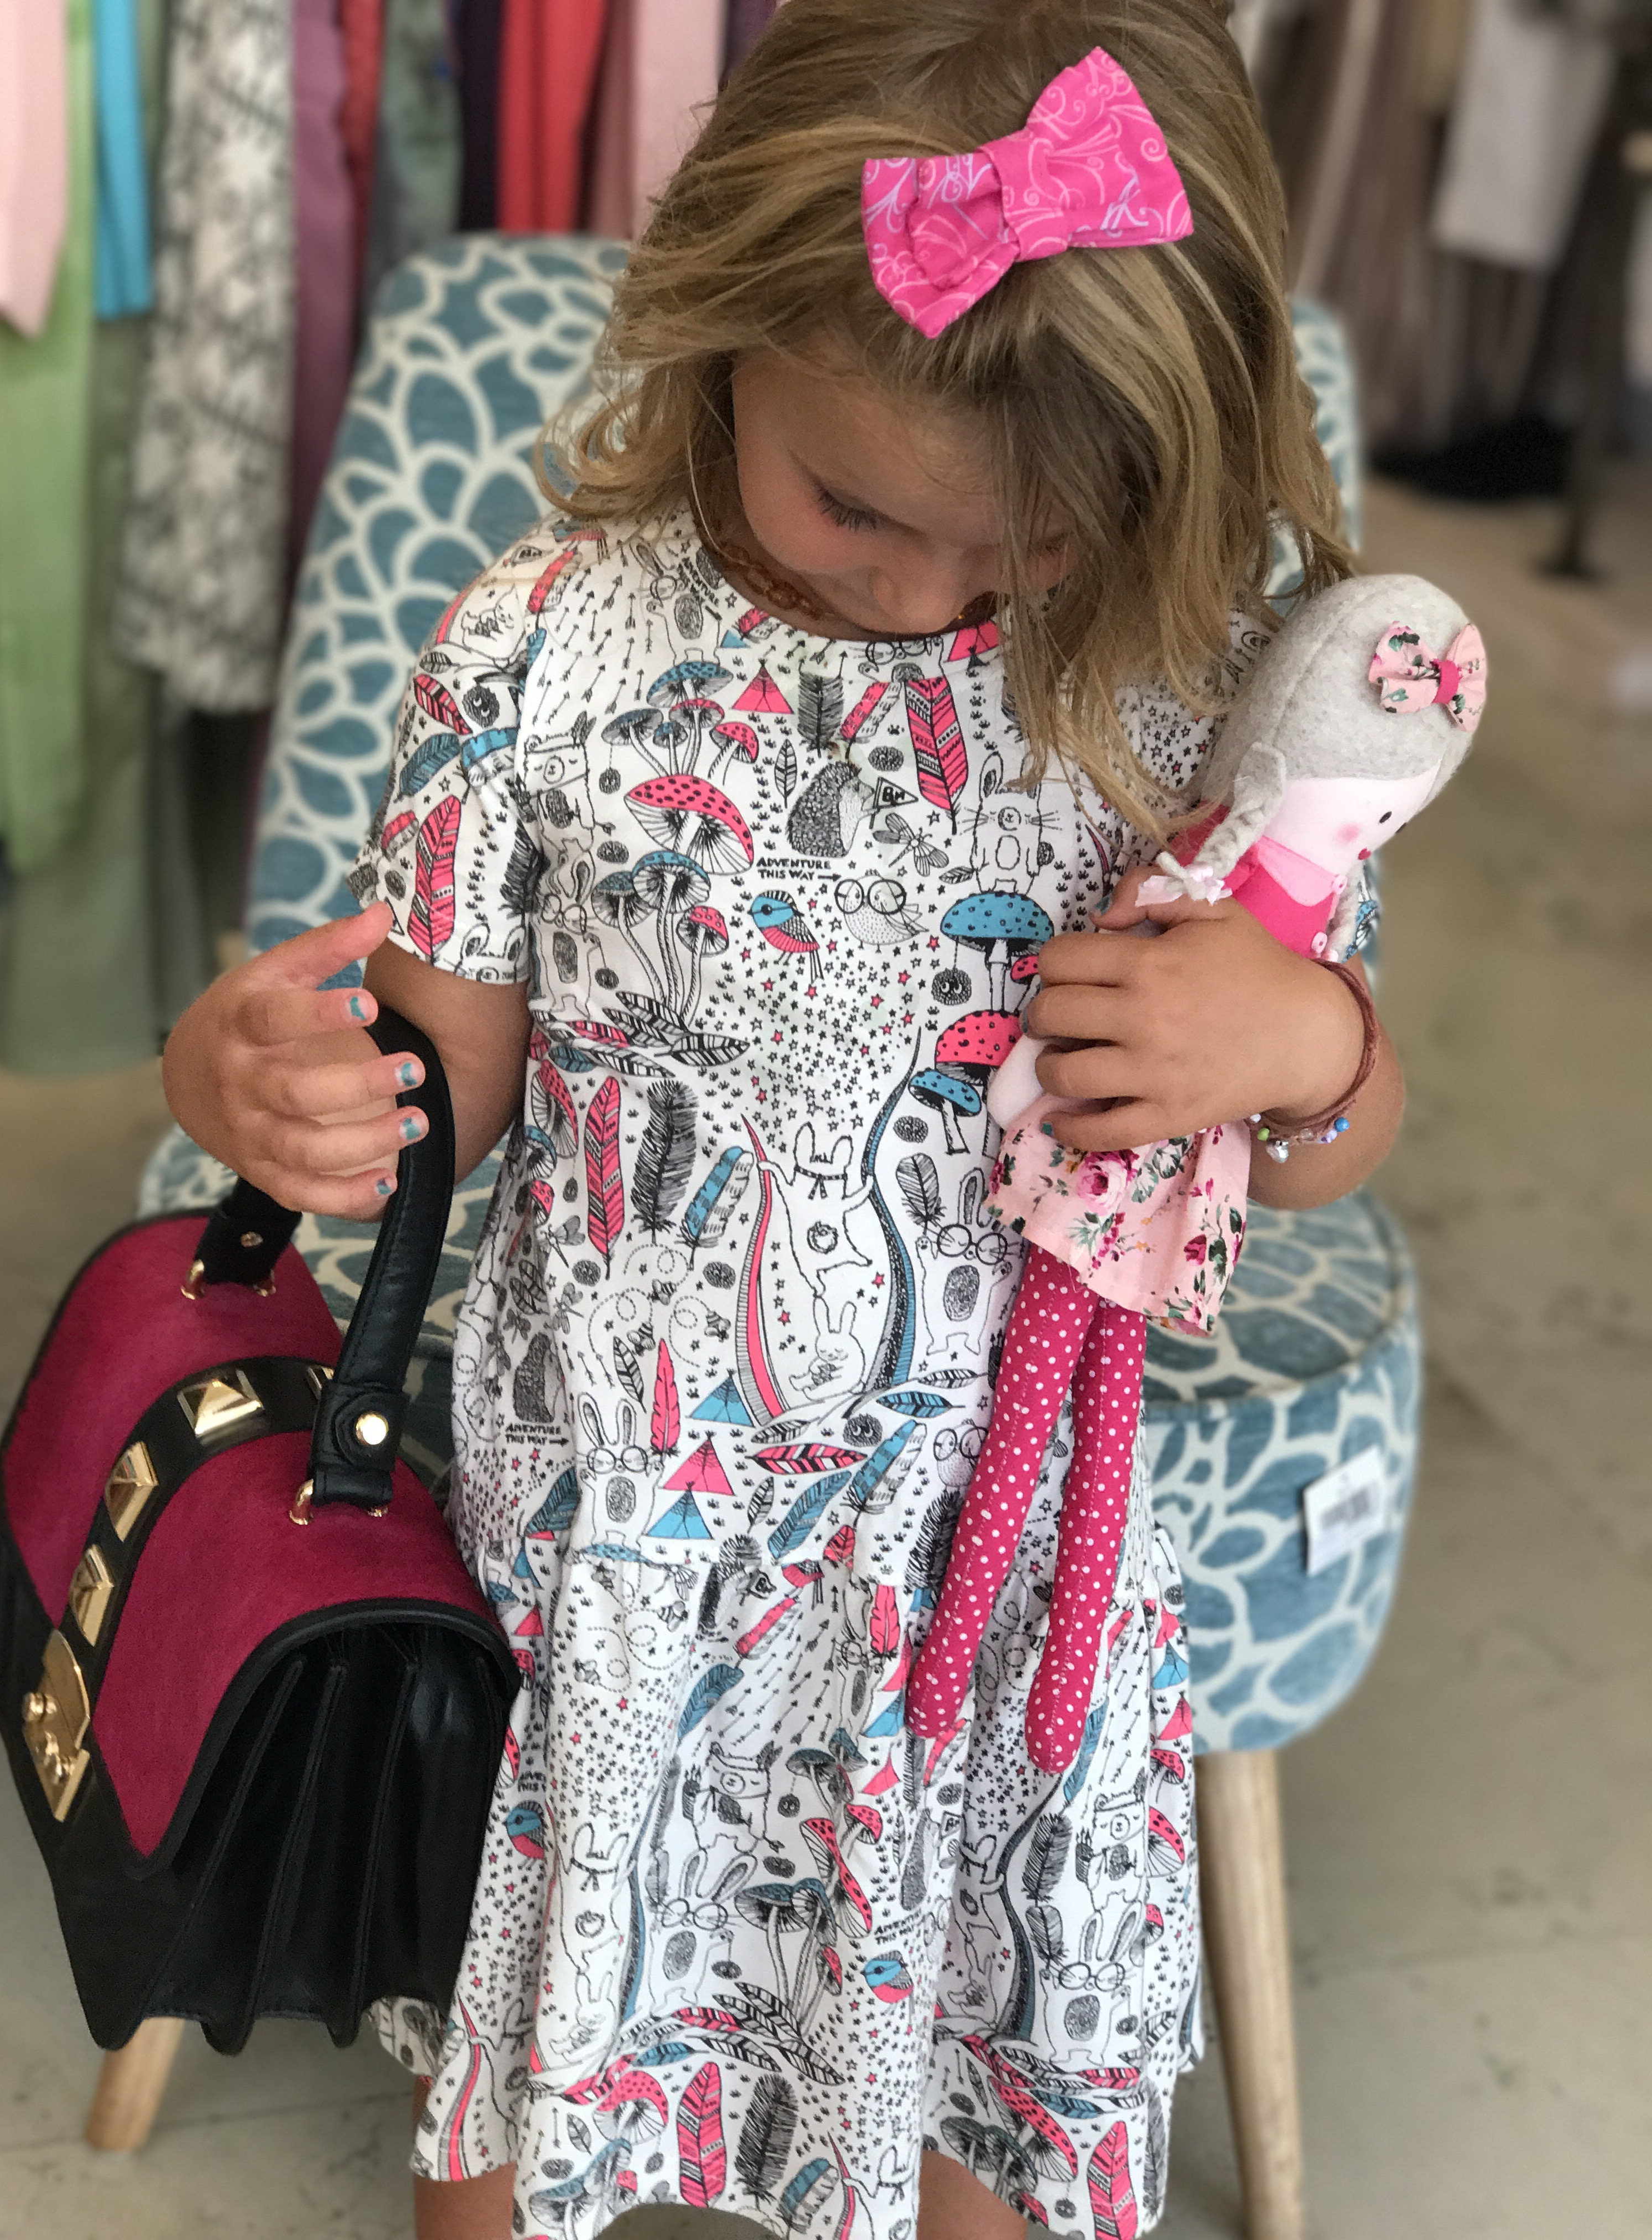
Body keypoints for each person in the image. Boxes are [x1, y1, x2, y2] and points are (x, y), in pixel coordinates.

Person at [163, 3, 1402, 2233]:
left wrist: (1303, 1048)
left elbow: (1318, 1154)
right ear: (718, 325)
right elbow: (442, 1087)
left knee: (970, 2056)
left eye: (1024, 546)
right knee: (537, 2049)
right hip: (628, 1528)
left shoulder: (1196, 692)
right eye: (857, 508)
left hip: (993, 1563)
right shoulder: (548, 653)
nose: (925, 594)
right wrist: (254, 1086)